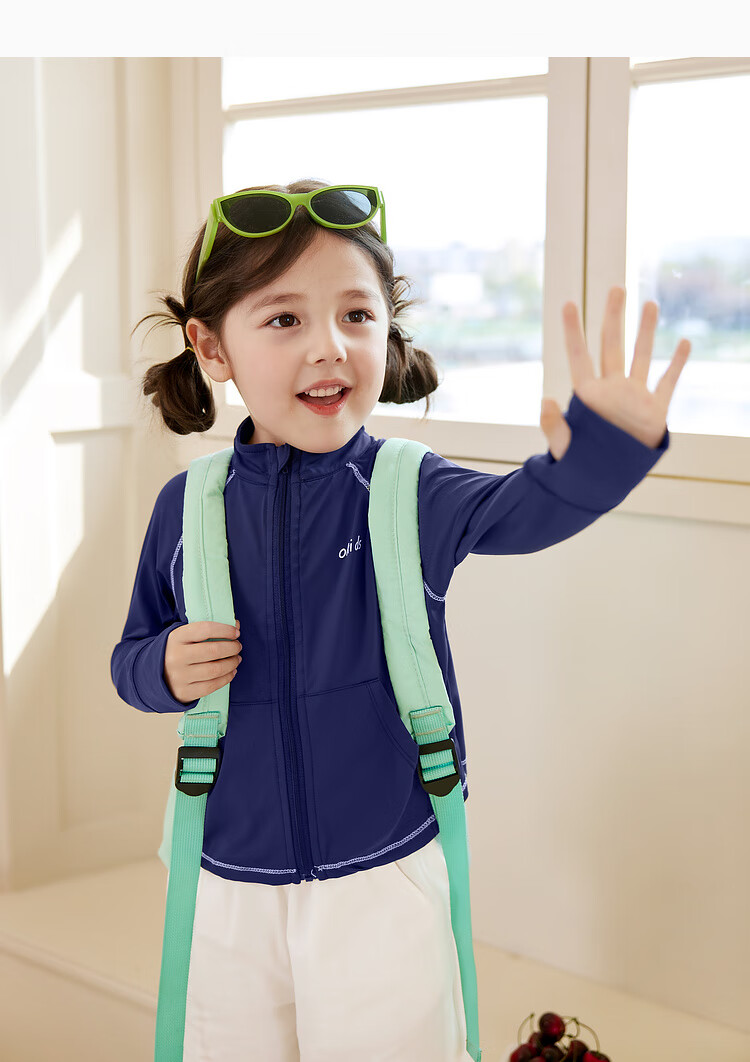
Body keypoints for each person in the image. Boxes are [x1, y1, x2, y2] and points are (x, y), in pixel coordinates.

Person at [110, 179, 690, 1062]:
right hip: (224, 878)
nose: (329, 347)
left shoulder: (405, 488)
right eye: (284, 319)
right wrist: (160, 668)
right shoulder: (185, 508)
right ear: (211, 347)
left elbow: (527, 511)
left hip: (381, 875)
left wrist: (607, 449)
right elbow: (130, 656)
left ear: (388, 331)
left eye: (356, 315)